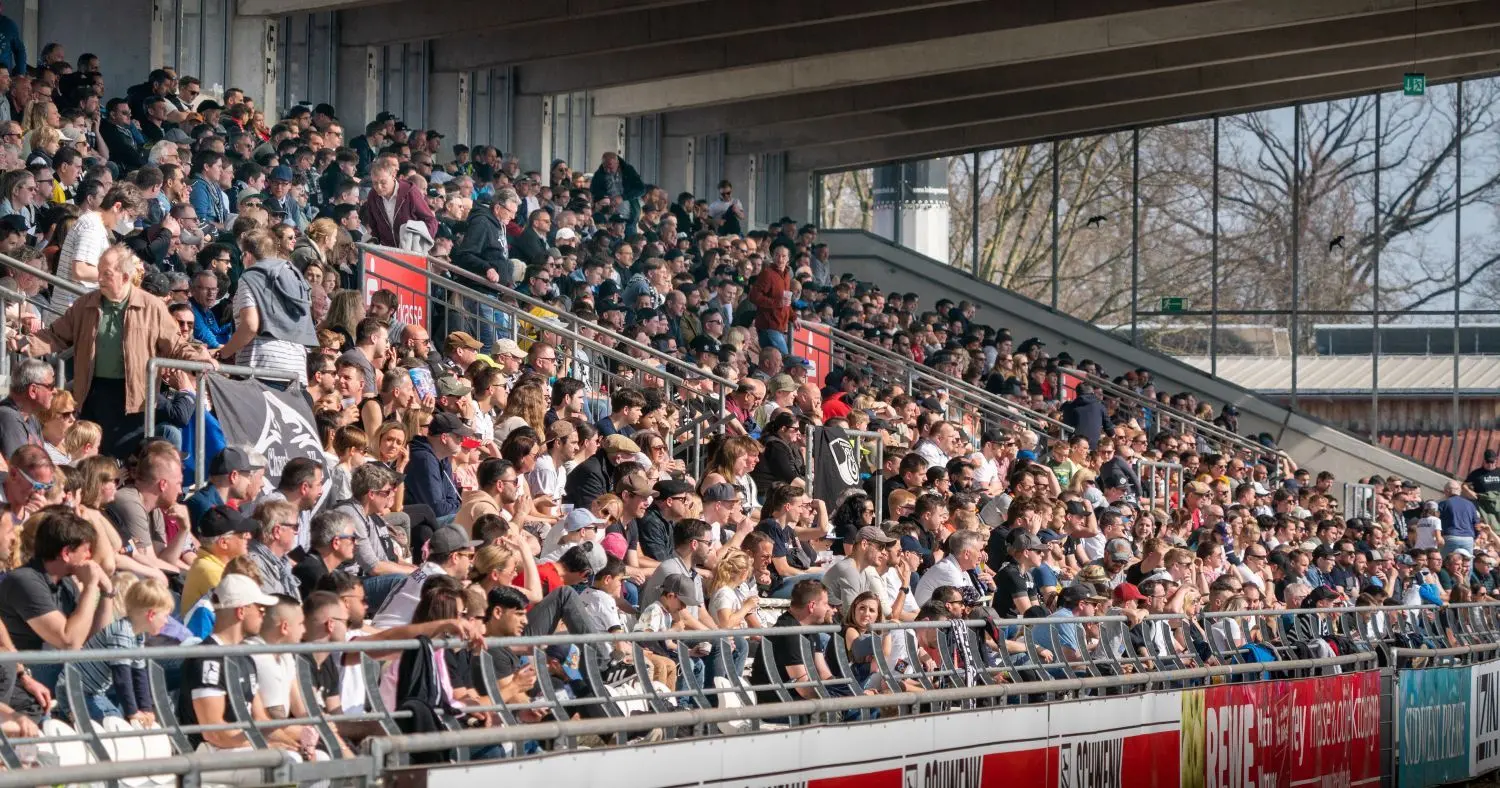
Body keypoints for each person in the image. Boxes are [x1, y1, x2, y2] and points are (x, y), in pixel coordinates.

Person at [15, 245, 208, 458]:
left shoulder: (151, 306)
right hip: (92, 393)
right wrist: (25, 343)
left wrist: (202, 358)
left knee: (126, 462)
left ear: (125, 277)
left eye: (106, 274)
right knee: (93, 458)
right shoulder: (85, 304)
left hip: (133, 399)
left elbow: (175, 344)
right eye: (99, 272)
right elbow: (55, 334)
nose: (100, 279)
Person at [176, 574, 320, 762]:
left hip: (240, 747)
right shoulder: (206, 659)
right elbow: (214, 734)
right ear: (241, 612)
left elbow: (261, 719)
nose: (263, 614)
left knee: (315, 757)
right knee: (289, 761)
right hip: (211, 753)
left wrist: (295, 745)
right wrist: (269, 745)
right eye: (259, 608)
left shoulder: (245, 657)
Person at [0, 507, 112, 717]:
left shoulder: (66, 583)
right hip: (29, 674)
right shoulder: (24, 581)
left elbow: (95, 638)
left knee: (120, 667)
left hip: (56, 672)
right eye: (86, 549)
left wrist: (107, 593)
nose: (90, 557)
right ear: (66, 553)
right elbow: (69, 641)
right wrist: (89, 587)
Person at [371, 526, 481, 629]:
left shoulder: (428, 571)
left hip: (386, 636)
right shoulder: (439, 582)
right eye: (470, 556)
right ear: (455, 557)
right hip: (392, 643)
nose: (471, 562)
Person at [746, 579, 833, 708]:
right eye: (826, 604)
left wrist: (848, 694)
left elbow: (824, 674)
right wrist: (835, 701)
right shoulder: (789, 632)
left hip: (799, 701)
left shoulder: (810, 629)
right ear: (812, 606)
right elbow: (803, 688)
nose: (829, 608)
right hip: (778, 706)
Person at [180, 505, 256, 616]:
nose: (248, 536)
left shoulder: (212, 565)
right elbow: (246, 614)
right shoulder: (209, 570)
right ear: (224, 543)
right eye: (242, 533)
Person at [404, 412, 468, 518]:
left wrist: (457, 506)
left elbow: (452, 497)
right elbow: (437, 509)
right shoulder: (424, 459)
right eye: (458, 437)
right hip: (419, 523)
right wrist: (460, 508)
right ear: (444, 438)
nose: (462, 441)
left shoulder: (443, 458)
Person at [820, 525, 896, 611]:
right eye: (881, 547)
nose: (884, 552)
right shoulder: (848, 570)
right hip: (830, 622)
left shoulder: (863, 570)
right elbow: (852, 617)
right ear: (864, 544)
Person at [294, 510, 358, 595]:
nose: (356, 542)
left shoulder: (312, 564)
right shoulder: (316, 575)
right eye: (352, 538)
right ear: (336, 542)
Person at [247, 500, 302, 599]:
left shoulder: (282, 564)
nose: (297, 532)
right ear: (277, 531)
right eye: (295, 527)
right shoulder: (253, 564)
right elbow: (272, 609)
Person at [0, 359, 52, 457]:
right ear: (33, 390)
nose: (54, 391)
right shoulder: (8, 418)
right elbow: (20, 468)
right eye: (50, 386)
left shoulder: (31, 418)